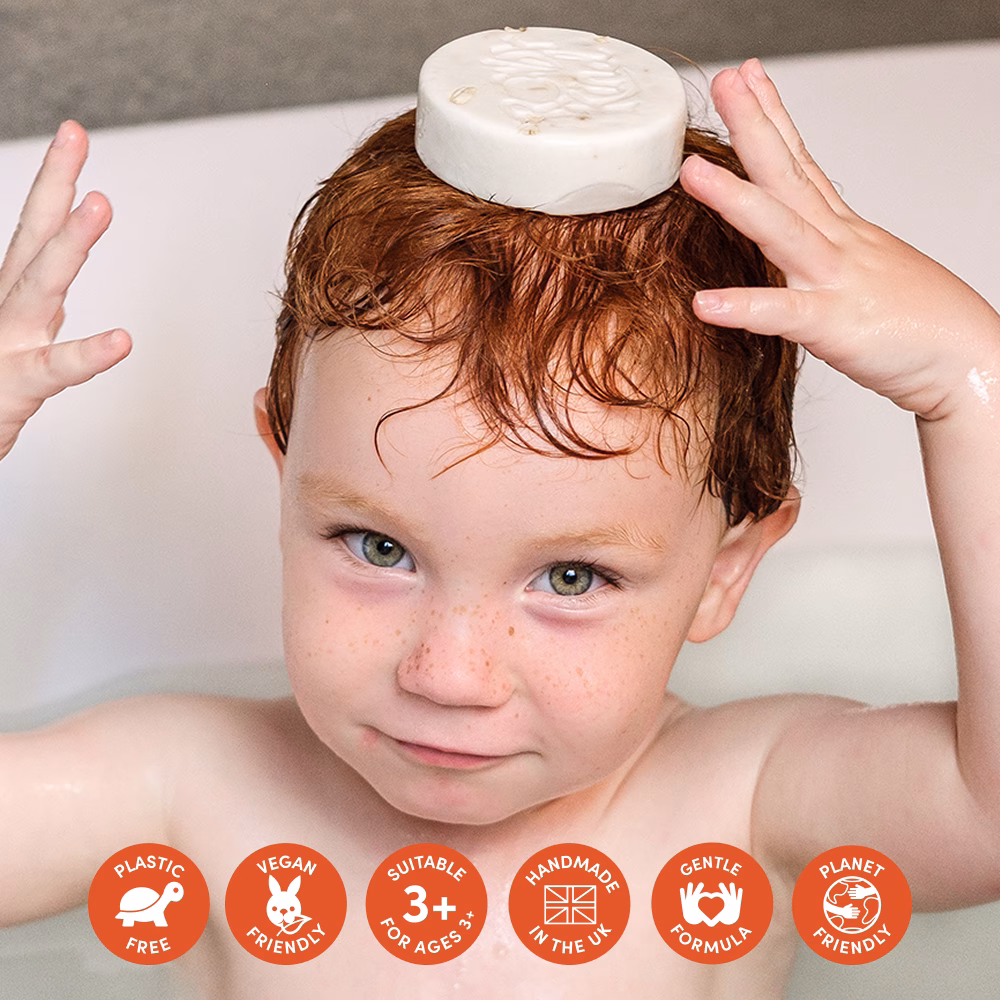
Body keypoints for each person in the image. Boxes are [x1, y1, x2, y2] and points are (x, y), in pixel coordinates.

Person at [1, 56, 998, 998]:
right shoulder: (188, 790)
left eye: (570, 577)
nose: (447, 676)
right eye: (377, 547)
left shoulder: (738, 805)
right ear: (284, 472)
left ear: (723, 570)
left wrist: (967, 381)